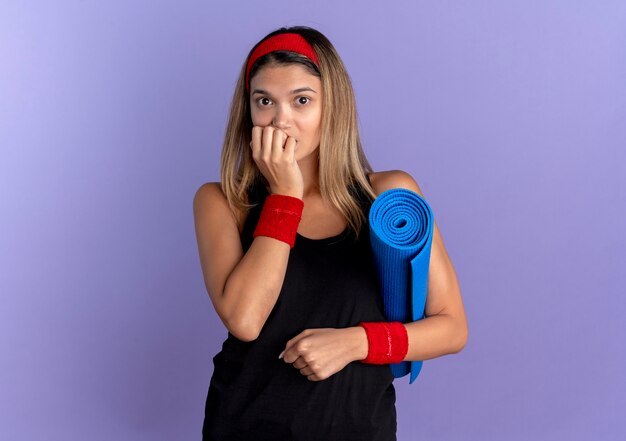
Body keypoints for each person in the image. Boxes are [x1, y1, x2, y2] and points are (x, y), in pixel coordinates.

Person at [193, 25, 468, 441]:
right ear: (248, 110)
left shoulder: (389, 198)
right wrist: (286, 195)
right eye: (264, 100)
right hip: (244, 425)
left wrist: (356, 343)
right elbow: (245, 320)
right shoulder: (223, 202)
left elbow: (452, 328)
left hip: (360, 428)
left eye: (301, 100)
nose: (280, 119)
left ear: (331, 107)